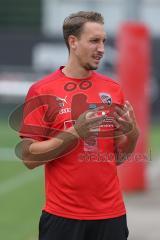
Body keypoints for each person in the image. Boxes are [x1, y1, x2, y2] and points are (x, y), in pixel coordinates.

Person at [19, 11, 139, 240]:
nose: (102, 48)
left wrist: (132, 135)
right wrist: (75, 133)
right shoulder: (42, 90)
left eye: (104, 41)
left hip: (111, 216)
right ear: (73, 42)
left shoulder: (113, 90)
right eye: (94, 41)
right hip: (62, 218)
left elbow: (117, 157)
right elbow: (28, 158)